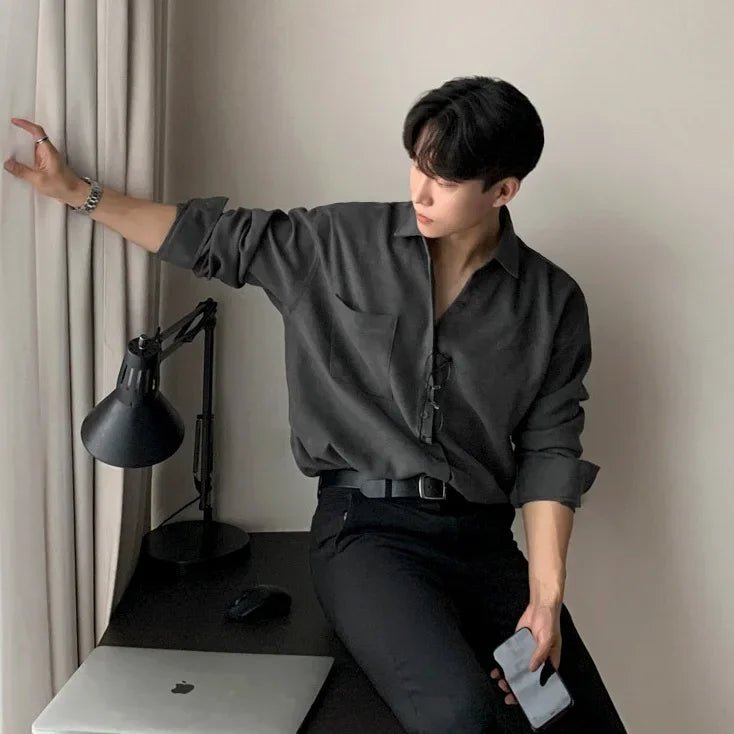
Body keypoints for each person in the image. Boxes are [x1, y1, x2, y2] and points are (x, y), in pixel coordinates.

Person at [4, 75, 627, 733]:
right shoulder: (338, 243)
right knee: (462, 714)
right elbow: (211, 239)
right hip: (367, 532)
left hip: (484, 544)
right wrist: (78, 193)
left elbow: (550, 452)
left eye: (443, 181)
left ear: (502, 191)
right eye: (417, 165)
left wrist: (545, 600)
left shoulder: (552, 303)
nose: (420, 191)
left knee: (572, 717)